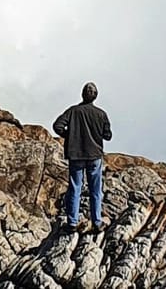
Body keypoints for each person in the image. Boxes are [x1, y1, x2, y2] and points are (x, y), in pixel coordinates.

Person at [53, 82, 112, 233]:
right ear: (95, 96)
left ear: (82, 95)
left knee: (75, 187)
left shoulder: (73, 111)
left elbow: (57, 126)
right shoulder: (101, 114)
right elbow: (108, 136)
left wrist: (70, 136)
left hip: (76, 155)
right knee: (95, 190)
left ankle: (72, 223)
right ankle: (97, 222)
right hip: (94, 156)